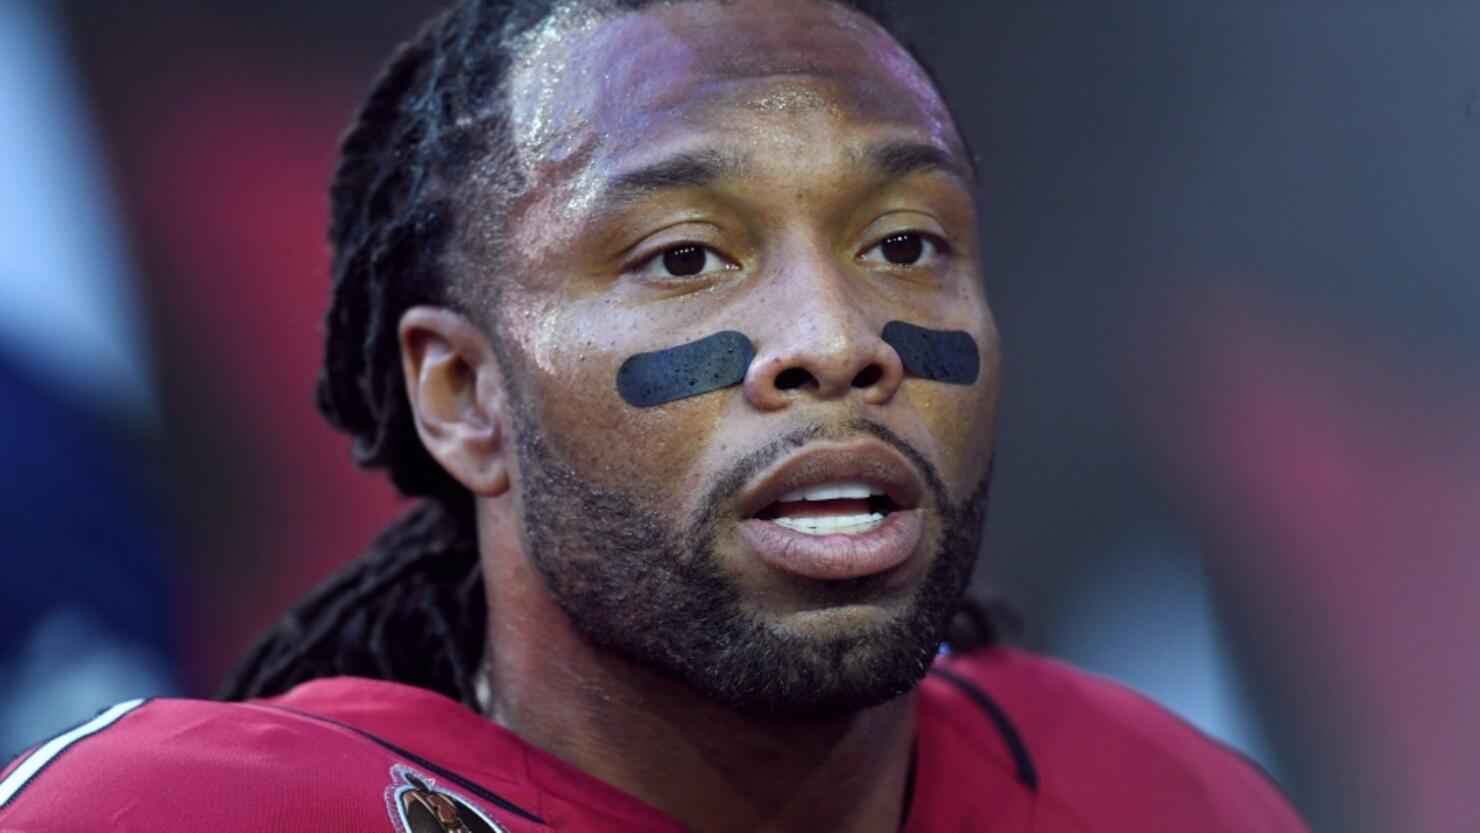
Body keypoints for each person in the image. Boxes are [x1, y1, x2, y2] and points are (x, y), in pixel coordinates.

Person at [0, 1, 1309, 830]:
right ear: (463, 398)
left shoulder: (1169, 797)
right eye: (686, 256)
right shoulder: (179, 819)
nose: (837, 344)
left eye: (905, 242)